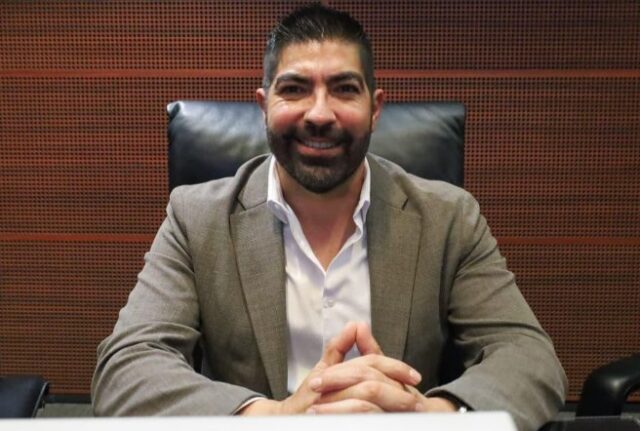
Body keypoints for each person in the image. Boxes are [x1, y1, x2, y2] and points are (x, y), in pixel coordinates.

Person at [92, 4, 567, 430]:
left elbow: (529, 358)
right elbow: (127, 367)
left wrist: (428, 416)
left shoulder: (449, 218)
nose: (319, 114)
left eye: (343, 89)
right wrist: (274, 418)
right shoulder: (196, 218)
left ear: (375, 109)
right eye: (295, 89)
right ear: (264, 106)